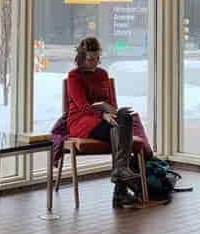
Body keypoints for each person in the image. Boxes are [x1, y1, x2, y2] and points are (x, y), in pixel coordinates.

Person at [58, 35, 151, 163]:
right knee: (120, 131)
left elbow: (110, 101)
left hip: (105, 117)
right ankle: (121, 174)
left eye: (97, 58)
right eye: (91, 59)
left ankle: (120, 172)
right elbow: (83, 107)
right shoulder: (74, 76)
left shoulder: (102, 74)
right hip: (82, 121)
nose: (95, 62)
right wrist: (103, 115)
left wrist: (112, 111)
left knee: (126, 116)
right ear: (81, 58)